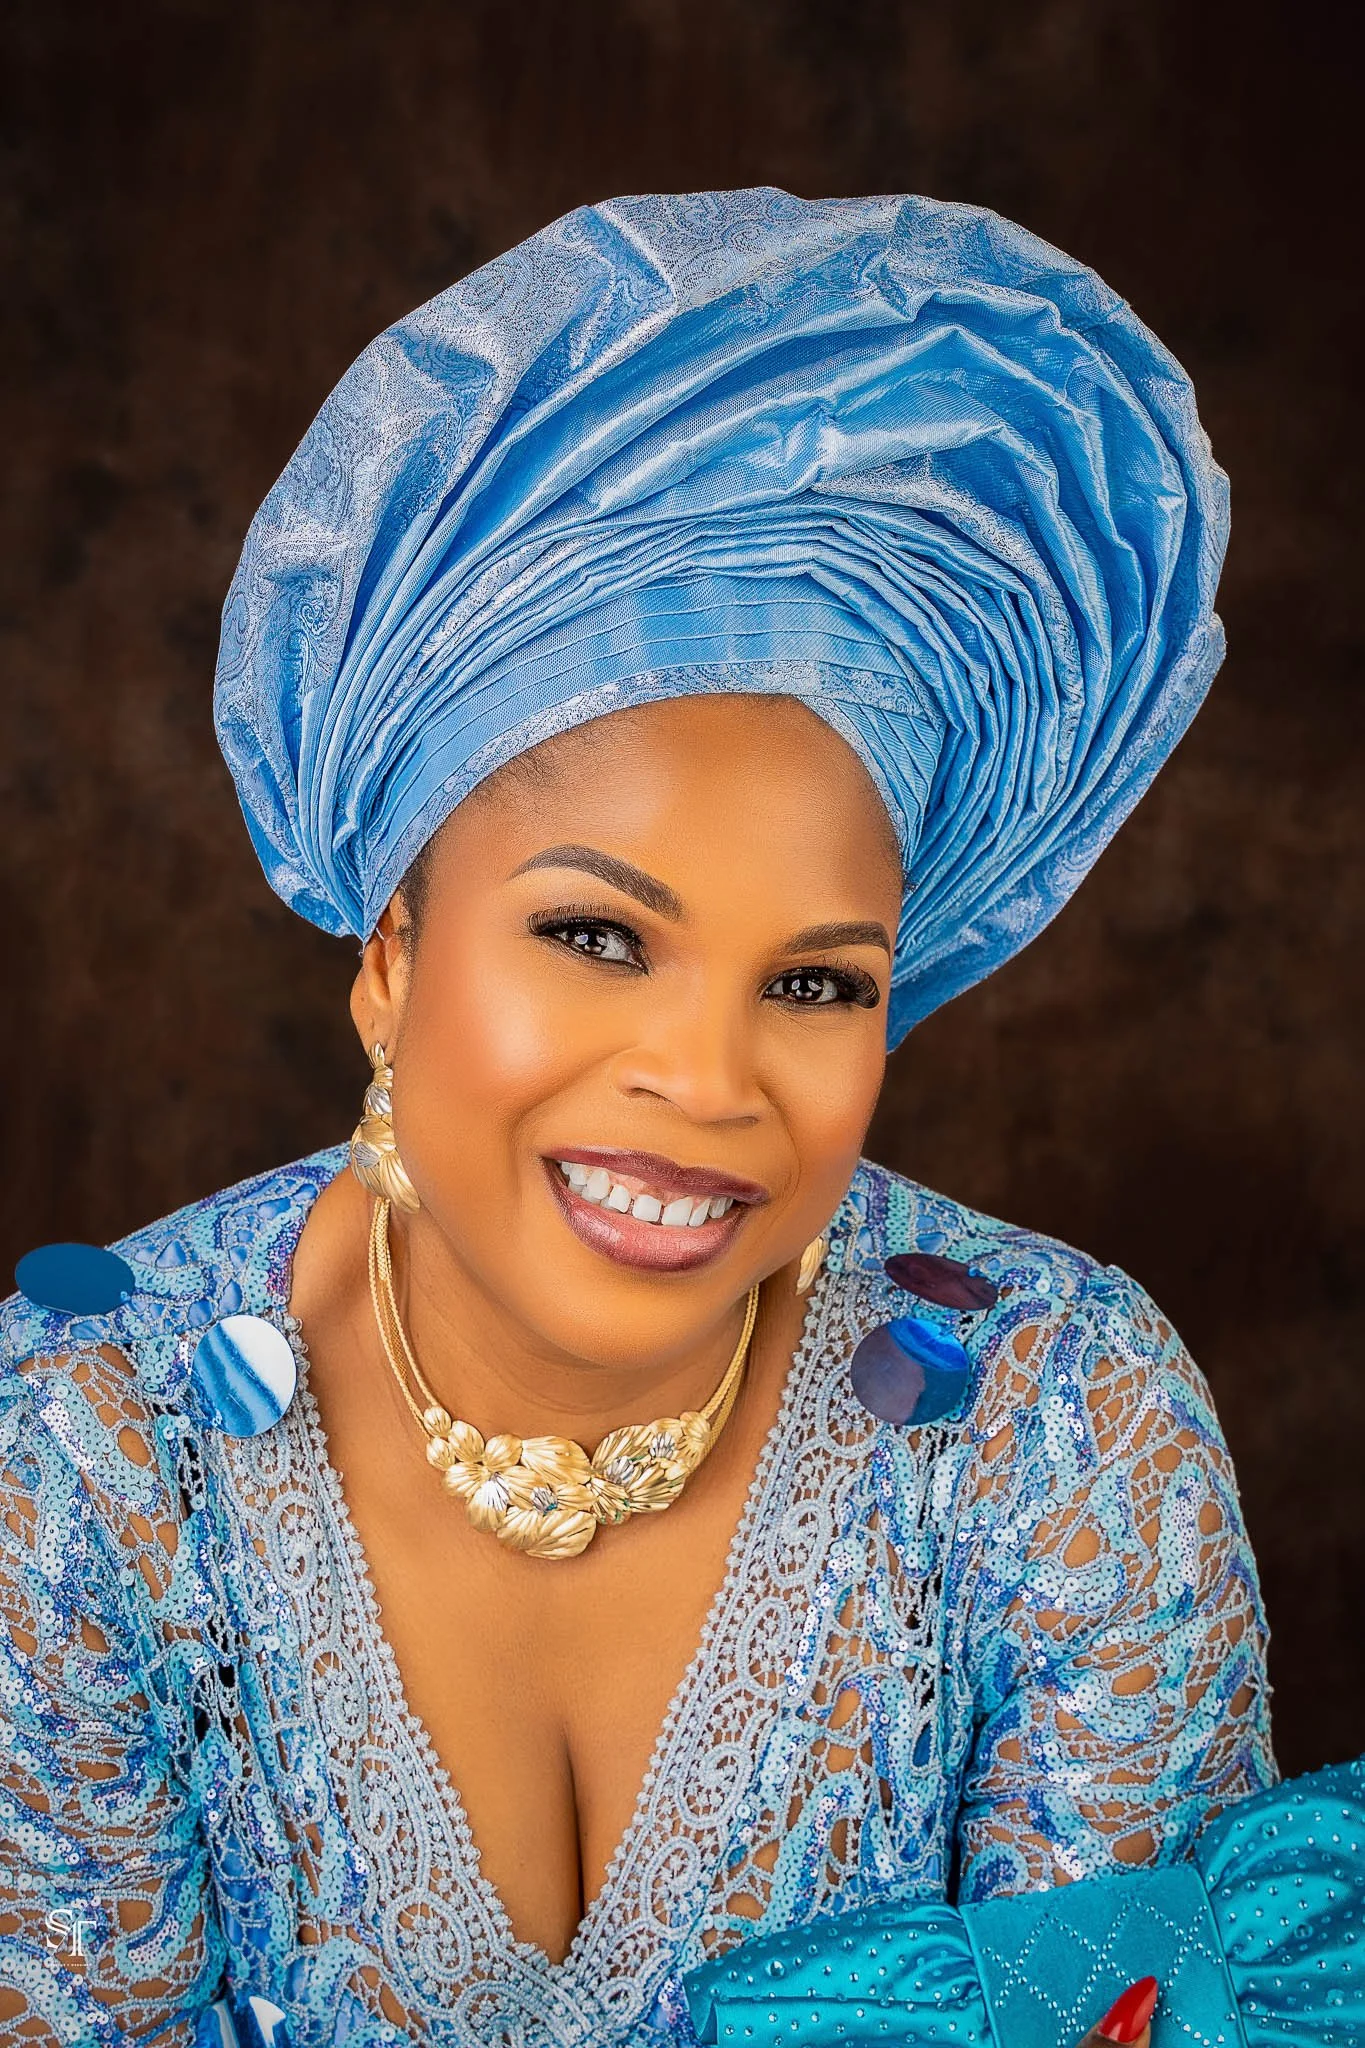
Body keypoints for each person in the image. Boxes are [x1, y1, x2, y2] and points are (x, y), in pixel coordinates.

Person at [0, 190, 1285, 2048]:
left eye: (821, 981)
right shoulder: (81, 1460)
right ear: (389, 954)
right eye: (597, 934)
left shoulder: (1065, 1437)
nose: (707, 1083)